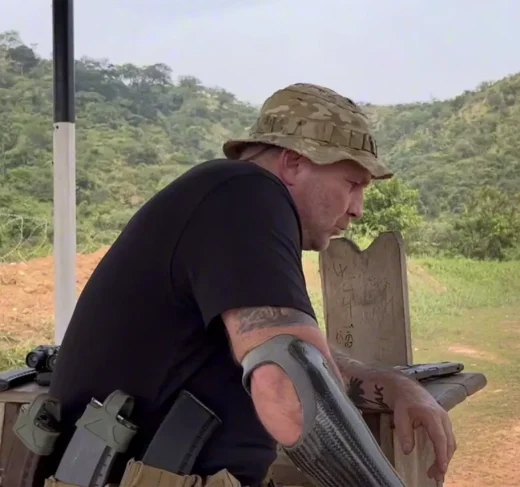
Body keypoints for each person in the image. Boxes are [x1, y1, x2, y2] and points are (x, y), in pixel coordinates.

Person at [46, 83, 455, 486]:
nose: (358, 210)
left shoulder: (224, 199)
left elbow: (294, 357)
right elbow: (289, 377)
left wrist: (393, 386)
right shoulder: (247, 193)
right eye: (352, 184)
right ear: (293, 163)